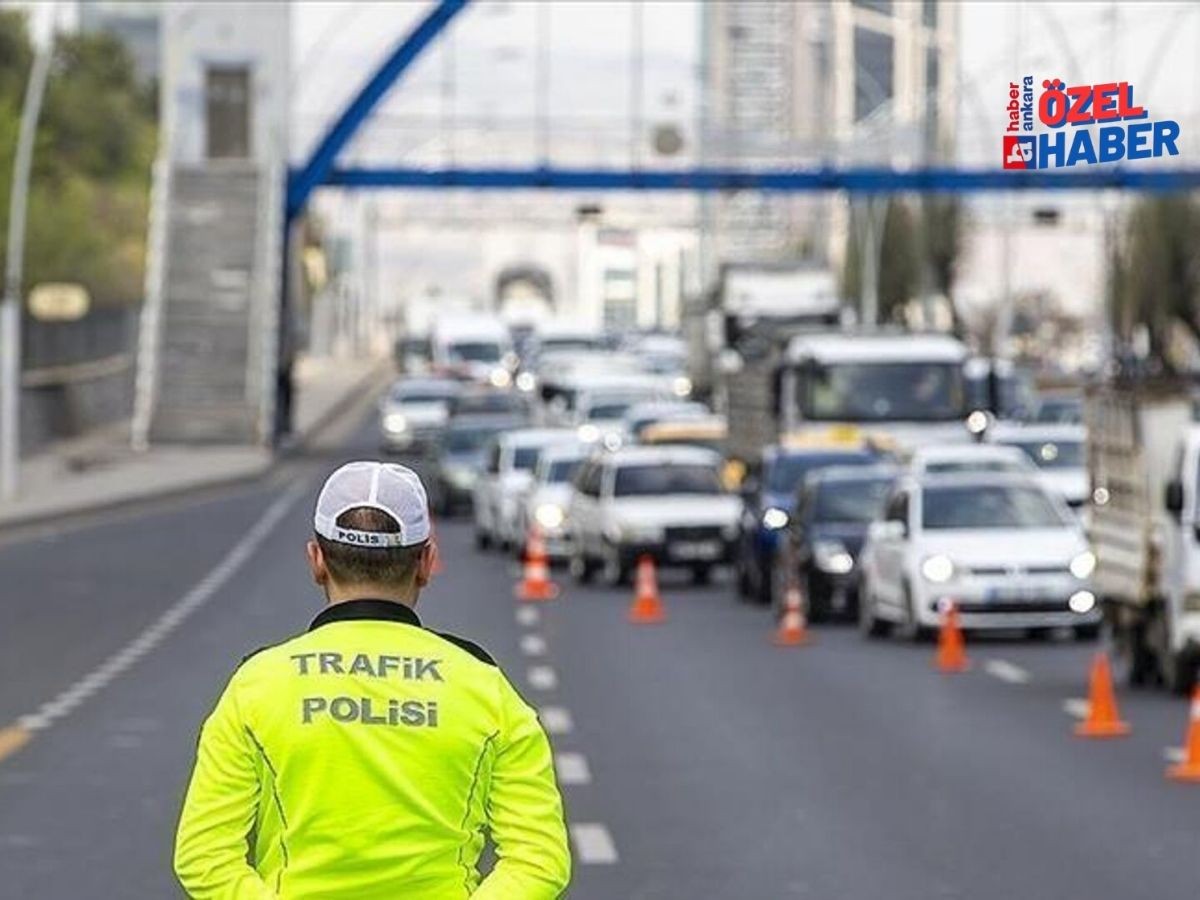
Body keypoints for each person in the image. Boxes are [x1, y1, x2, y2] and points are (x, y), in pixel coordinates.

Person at [174, 461, 571, 899]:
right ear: (426, 562)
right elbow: (539, 858)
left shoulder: (257, 685)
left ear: (317, 560)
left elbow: (203, 855)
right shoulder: (485, 687)